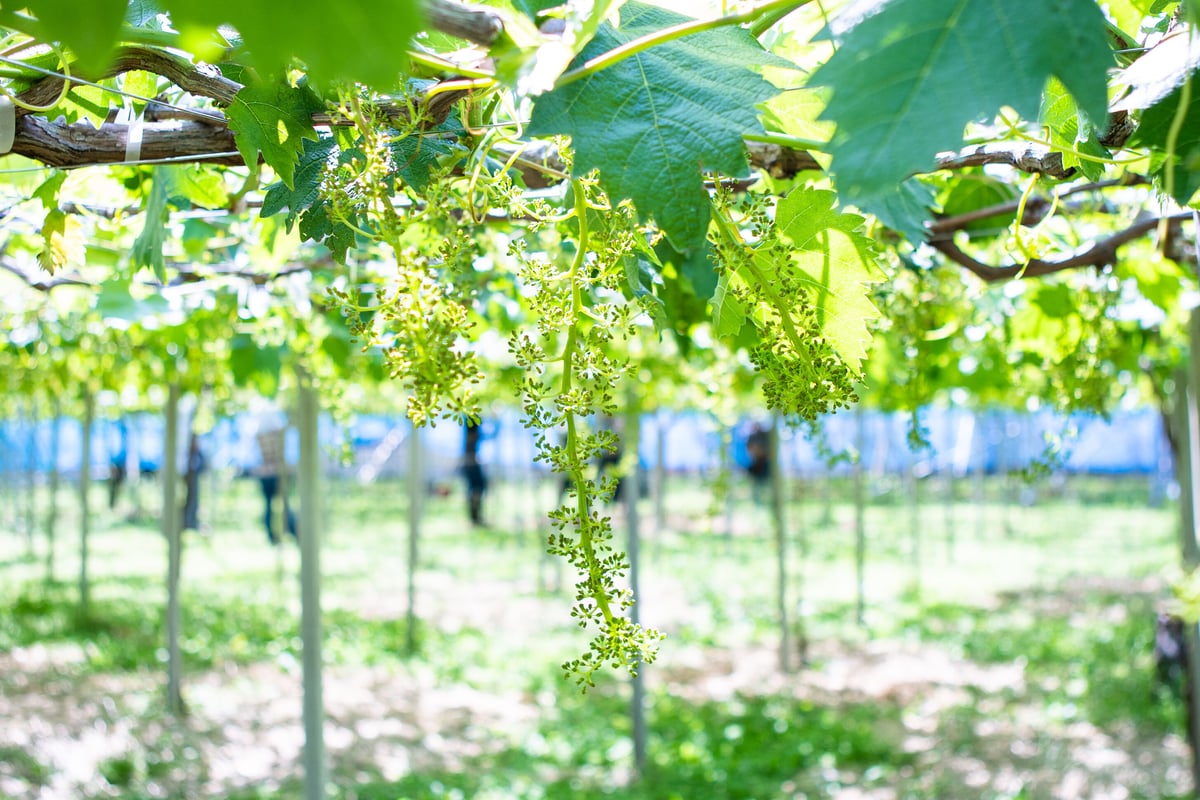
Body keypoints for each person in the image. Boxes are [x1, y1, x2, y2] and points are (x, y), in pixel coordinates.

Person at [256, 426, 297, 544]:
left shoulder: (260, 436)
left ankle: (279, 534)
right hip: (275, 473)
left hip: (268, 473)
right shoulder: (279, 436)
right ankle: (289, 532)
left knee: (274, 505)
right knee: (283, 505)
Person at [462, 420, 489, 526]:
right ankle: (475, 517)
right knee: (477, 488)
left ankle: (475, 516)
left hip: (471, 463)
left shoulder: (470, 433)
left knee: (477, 489)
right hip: (471, 463)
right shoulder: (471, 434)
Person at [744, 422, 771, 503]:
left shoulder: (765, 435)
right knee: (756, 482)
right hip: (756, 463)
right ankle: (757, 500)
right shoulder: (752, 437)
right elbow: (749, 448)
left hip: (765, 462)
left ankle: (766, 498)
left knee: (766, 482)